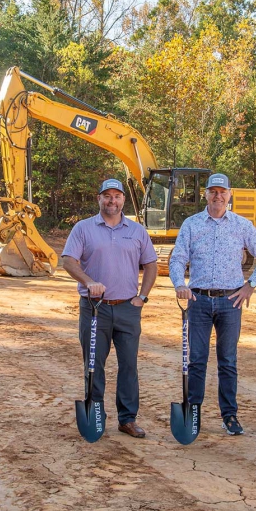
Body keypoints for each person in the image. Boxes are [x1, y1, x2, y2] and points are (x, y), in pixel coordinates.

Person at [169, 173, 256, 435]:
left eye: (222, 191)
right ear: (205, 194)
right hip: (198, 300)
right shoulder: (191, 224)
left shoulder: (241, 225)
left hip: (231, 301)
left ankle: (229, 416)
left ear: (229, 195)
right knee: (196, 359)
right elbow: (177, 258)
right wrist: (179, 284)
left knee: (228, 361)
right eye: (213, 191)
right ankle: (192, 413)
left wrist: (251, 285)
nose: (218, 196)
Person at [62, 178, 158, 438]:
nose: (112, 201)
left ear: (123, 200)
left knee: (129, 366)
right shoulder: (83, 229)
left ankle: (127, 419)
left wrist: (143, 297)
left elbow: (150, 264)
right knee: (94, 365)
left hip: (128, 308)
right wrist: (89, 281)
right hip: (95, 309)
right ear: (99, 199)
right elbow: (68, 261)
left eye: (117, 196)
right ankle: (95, 417)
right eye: (107, 196)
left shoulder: (137, 231)